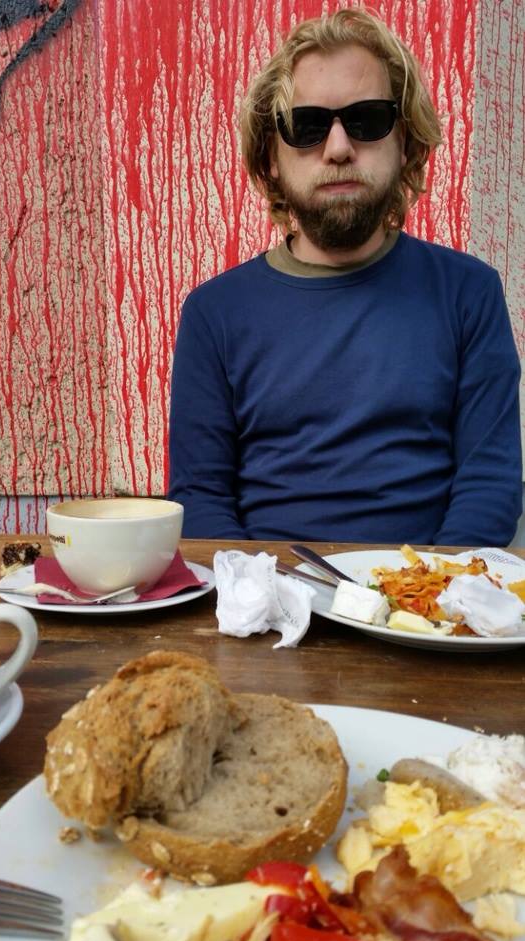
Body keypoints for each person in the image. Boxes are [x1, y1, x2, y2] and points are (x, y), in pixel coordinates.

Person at [168, 8, 522, 545]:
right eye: (307, 127)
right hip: (268, 590)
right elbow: (200, 500)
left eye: (367, 119)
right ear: (271, 156)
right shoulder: (214, 314)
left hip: (422, 589)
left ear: (406, 142)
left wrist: (422, 590)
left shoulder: (468, 294)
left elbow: (489, 487)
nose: (337, 148)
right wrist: (261, 588)